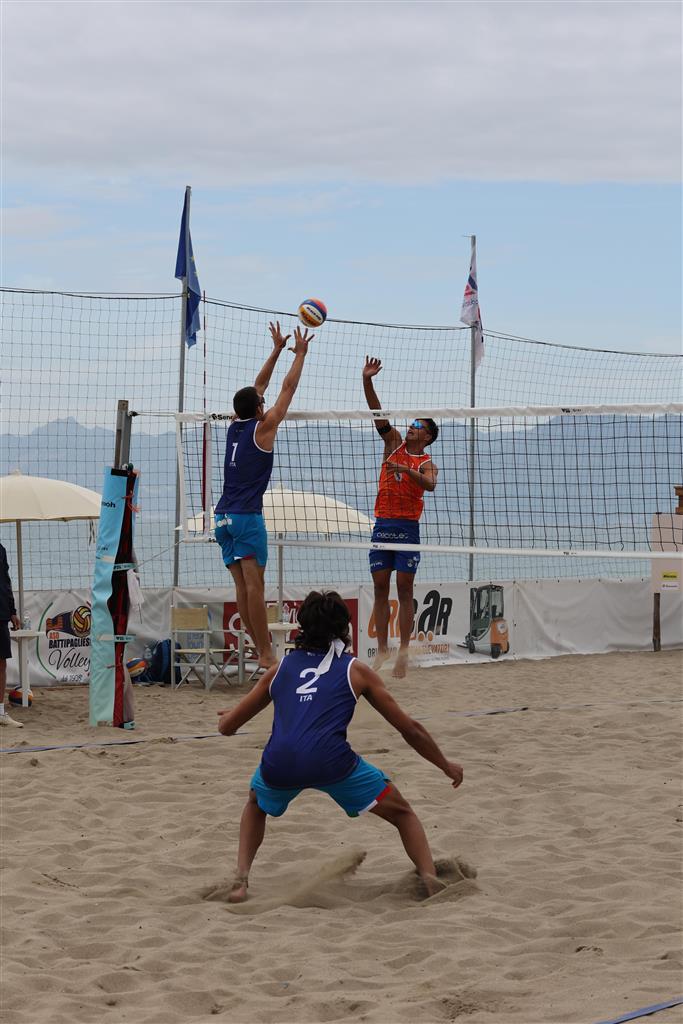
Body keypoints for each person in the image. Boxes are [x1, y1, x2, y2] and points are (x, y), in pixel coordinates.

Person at [216, 590, 463, 903]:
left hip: (281, 763)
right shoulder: (356, 670)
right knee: (403, 813)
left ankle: (240, 881)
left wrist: (228, 717)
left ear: (301, 628)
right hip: (333, 763)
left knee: (255, 803)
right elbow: (409, 729)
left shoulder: (280, 669)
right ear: (345, 629)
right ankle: (429, 878)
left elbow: (227, 728)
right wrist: (445, 765)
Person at [214, 321, 314, 670]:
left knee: (243, 589)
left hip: (222, 517)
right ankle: (267, 654)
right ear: (258, 409)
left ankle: (261, 651)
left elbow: (258, 387)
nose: (265, 401)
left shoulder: (234, 425)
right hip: (245, 517)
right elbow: (287, 387)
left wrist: (276, 350)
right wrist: (300, 354)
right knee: (255, 588)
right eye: (262, 402)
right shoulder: (264, 427)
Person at [362, 356, 439, 678]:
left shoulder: (426, 462)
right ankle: (382, 649)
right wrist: (367, 380)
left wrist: (406, 471)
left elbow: (430, 485)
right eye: (412, 424)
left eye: (418, 427)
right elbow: (377, 412)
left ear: (427, 437)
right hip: (383, 523)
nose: (411, 427)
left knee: (404, 589)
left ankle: (403, 652)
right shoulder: (393, 442)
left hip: (407, 528)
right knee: (380, 587)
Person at [0, 543, 23, 728]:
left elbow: (6, 582)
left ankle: (0, 712)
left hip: (1, 614)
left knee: (1, 663)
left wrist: (13, 611)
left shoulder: (1, 549)